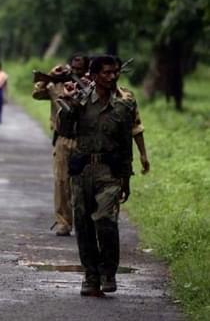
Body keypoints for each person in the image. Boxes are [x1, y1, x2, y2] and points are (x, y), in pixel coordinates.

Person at [57, 55, 136, 296]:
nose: (112, 77)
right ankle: (90, 275)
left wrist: (126, 178)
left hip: (109, 172)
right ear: (94, 74)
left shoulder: (123, 105)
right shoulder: (80, 100)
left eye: (115, 72)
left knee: (105, 221)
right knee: (83, 224)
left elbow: (126, 144)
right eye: (106, 73)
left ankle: (108, 272)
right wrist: (68, 104)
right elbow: (64, 130)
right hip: (82, 172)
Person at [32, 54, 89, 236]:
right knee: (61, 182)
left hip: (84, 140)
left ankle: (84, 221)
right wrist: (50, 75)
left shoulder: (91, 87)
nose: (77, 73)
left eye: (81, 70)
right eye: (75, 69)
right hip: (62, 139)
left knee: (82, 184)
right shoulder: (57, 84)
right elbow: (37, 93)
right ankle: (64, 222)